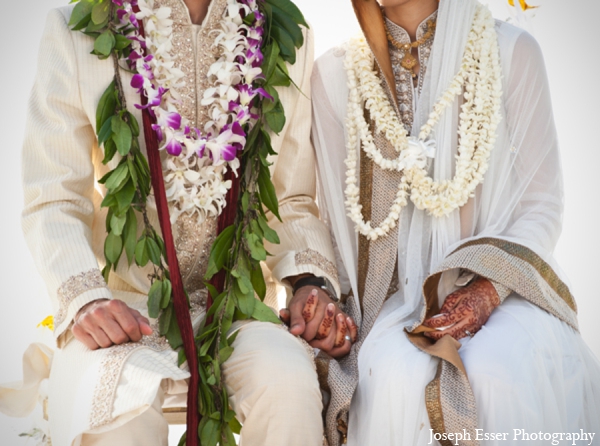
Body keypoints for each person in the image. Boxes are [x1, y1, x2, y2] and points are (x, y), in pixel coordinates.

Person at [0, 0, 350, 444]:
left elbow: (292, 198)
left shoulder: (277, 30)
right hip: (126, 312)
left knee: (287, 383)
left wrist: (309, 282)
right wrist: (86, 299)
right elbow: (54, 198)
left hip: (238, 312)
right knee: (115, 417)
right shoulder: (81, 29)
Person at [307, 0, 600, 444]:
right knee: (389, 375)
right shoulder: (334, 76)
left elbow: (542, 205)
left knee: (499, 369)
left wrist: (487, 288)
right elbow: (332, 231)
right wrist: (330, 307)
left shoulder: (511, 52)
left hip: (502, 294)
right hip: (388, 309)